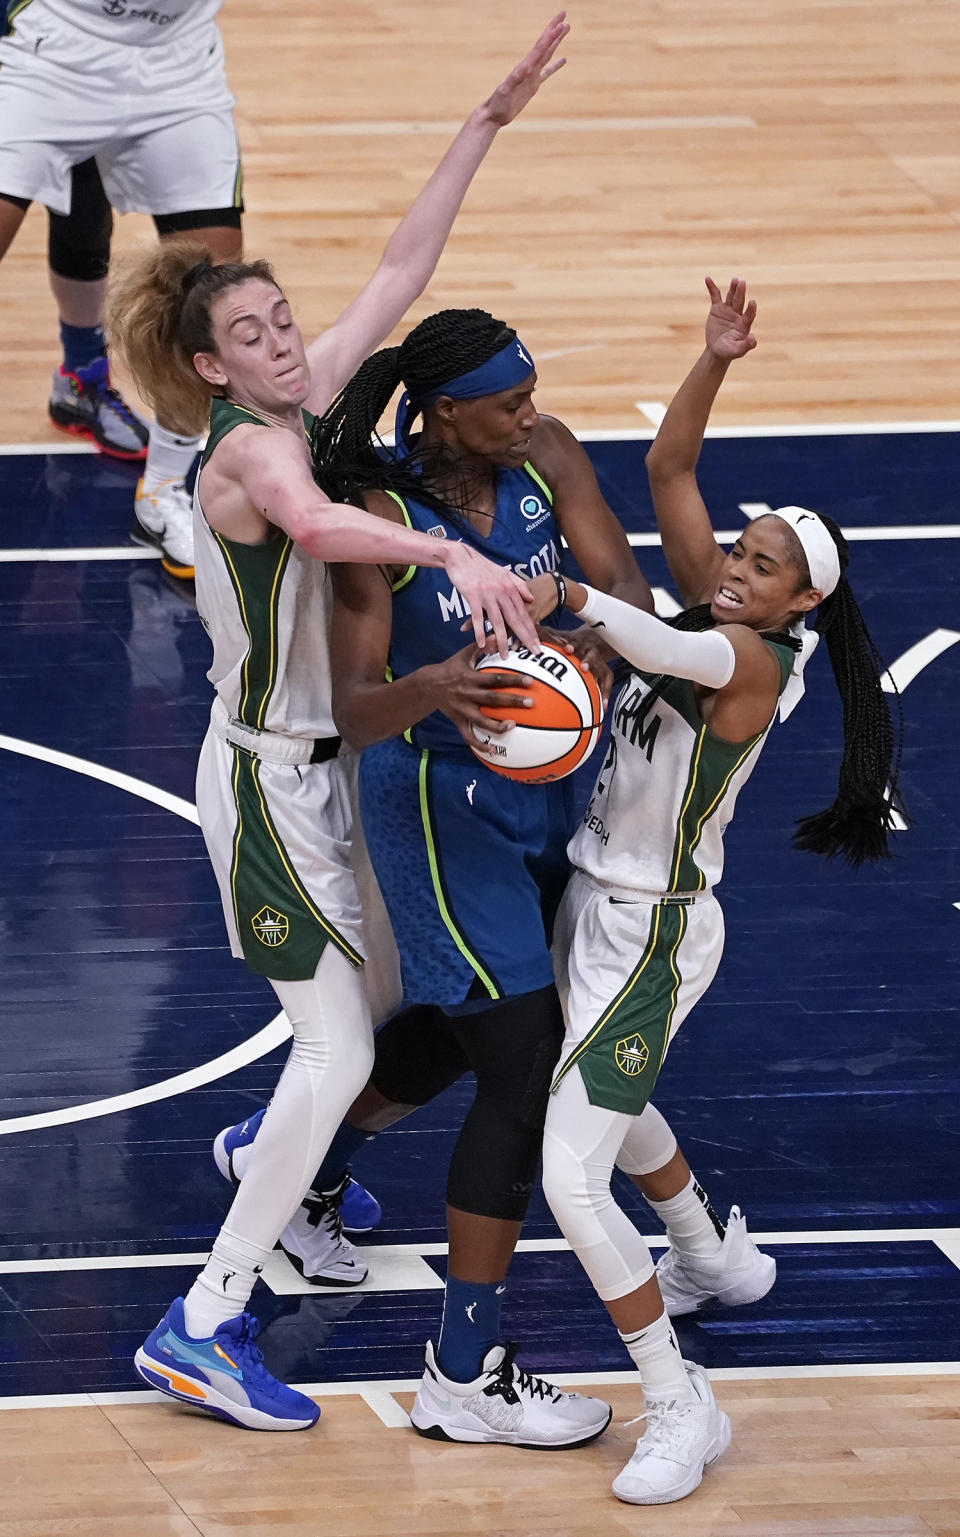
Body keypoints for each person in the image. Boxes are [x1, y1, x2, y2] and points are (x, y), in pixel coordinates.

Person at [104, 13, 572, 1432]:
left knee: (389, 1006)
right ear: (207, 368)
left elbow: (400, 268)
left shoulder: (303, 395)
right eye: (246, 335)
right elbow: (314, 524)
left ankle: (272, 1157)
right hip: (264, 786)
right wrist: (461, 559)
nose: (281, 342)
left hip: (338, 768)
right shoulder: (243, 452)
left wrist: (483, 124)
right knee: (342, 1047)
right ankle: (204, 1318)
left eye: (281, 316)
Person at [523, 278, 905, 1503]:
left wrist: (577, 599)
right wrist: (714, 360)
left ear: (807, 604)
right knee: (601, 1090)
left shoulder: (749, 655)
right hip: (595, 899)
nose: (735, 566)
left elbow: (673, 648)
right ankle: (706, 1257)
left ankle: (680, 1400)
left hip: (653, 929)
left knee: (570, 1172)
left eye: (764, 563)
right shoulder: (734, 594)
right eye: (738, 550)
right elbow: (671, 467)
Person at [295, 301, 653, 1448]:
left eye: (531, 393)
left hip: (551, 789)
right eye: (508, 401)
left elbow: (629, 592)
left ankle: (310, 1169)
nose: (530, 414)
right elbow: (353, 714)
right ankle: (464, 1365)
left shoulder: (546, 457)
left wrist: (592, 634)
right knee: (522, 1057)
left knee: (458, 1031)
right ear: (445, 413)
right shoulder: (381, 519)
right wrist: (437, 688)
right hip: (438, 808)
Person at [0, 0, 247, 578]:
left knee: (214, 300)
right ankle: (82, 375)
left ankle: (162, 491)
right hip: (51, 50)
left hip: (176, 62)